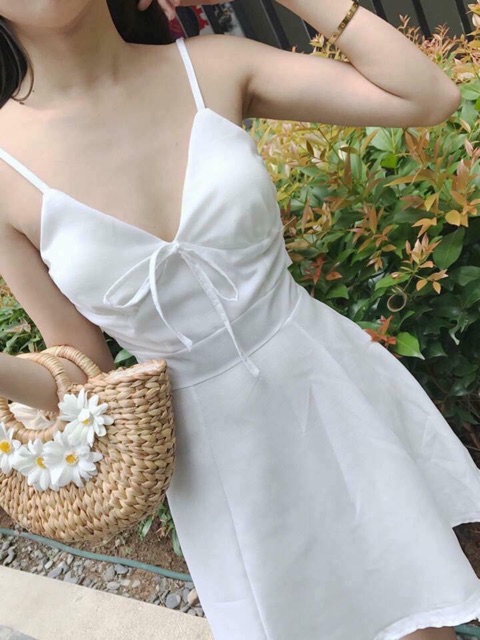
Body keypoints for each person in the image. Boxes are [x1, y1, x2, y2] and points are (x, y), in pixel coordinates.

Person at [0, 2, 477, 640]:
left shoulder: (214, 66)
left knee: (422, 616)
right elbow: (82, 368)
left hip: (330, 386)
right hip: (214, 456)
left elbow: (428, 97)